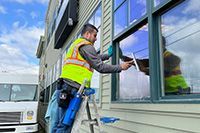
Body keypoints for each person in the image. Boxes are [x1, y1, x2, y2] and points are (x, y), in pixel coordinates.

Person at [50, 23, 133, 133]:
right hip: (72, 88)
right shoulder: (86, 46)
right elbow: (100, 67)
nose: (96, 39)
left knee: (60, 123)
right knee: (65, 125)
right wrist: (120, 67)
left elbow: (93, 58)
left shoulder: (77, 44)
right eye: (94, 35)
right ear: (87, 34)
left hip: (66, 86)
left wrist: (107, 55)